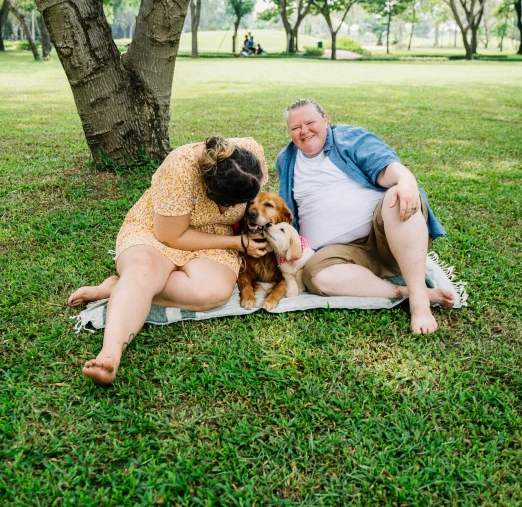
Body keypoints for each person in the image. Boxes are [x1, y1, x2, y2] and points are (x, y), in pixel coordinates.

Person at [69, 136, 268, 384]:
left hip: (215, 234)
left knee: (213, 293)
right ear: (210, 191)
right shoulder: (179, 168)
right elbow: (172, 236)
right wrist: (237, 244)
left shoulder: (251, 155)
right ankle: (110, 354)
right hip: (159, 231)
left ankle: (121, 287)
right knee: (142, 270)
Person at [276, 99, 455, 335]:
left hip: (387, 238)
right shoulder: (286, 160)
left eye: (310, 122)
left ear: (325, 120)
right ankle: (404, 291)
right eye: (295, 127)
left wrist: (406, 181)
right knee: (317, 276)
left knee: (398, 196)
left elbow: (386, 167)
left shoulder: (350, 139)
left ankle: (419, 301)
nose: (304, 131)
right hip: (341, 254)